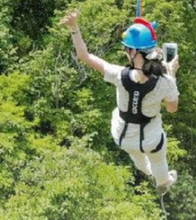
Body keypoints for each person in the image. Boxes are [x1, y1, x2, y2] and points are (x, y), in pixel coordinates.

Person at [60, 10, 180, 196]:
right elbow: (172, 109)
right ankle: (163, 181)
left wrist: (74, 27)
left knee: (139, 158)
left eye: (126, 49)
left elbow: (84, 56)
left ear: (133, 52)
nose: (125, 52)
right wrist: (171, 75)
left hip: (123, 139)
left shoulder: (118, 75)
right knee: (159, 162)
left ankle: (149, 173)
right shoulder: (165, 81)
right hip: (152, 140)